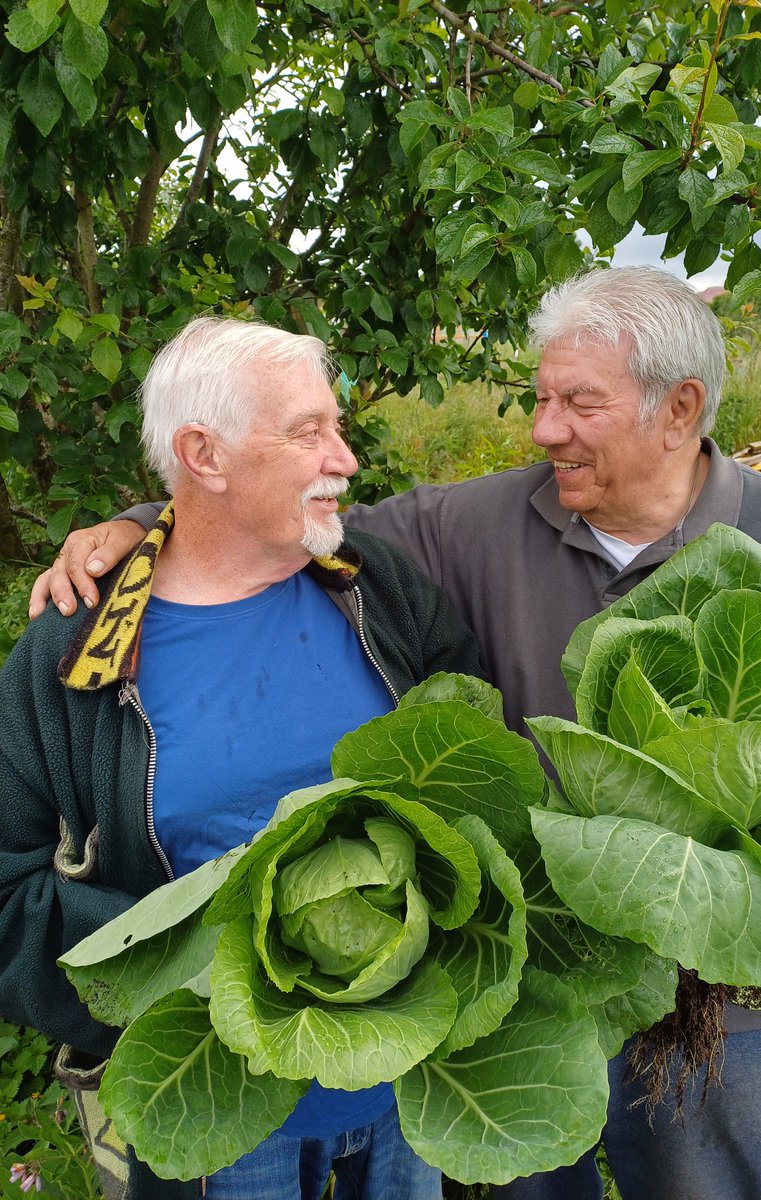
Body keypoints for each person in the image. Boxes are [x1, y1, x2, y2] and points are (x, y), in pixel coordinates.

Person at [30, 268, 761, 1200]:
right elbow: (274, 520)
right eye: (541, 398)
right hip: (534, 974)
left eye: (578, 403)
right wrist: (139, 523)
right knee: (527, 1172)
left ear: (680, 407)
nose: (543, 428)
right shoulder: (472, 524)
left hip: (723, 992)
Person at [1, 316, 482, 1200]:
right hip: (217, 1114)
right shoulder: (75, 654)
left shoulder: (375, 589)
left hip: (410, 1086)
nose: (344, 457)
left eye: (335, 427)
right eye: (308, 432)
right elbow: (6, 896)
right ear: (205, 455)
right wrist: (189, 969)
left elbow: (479, 779)